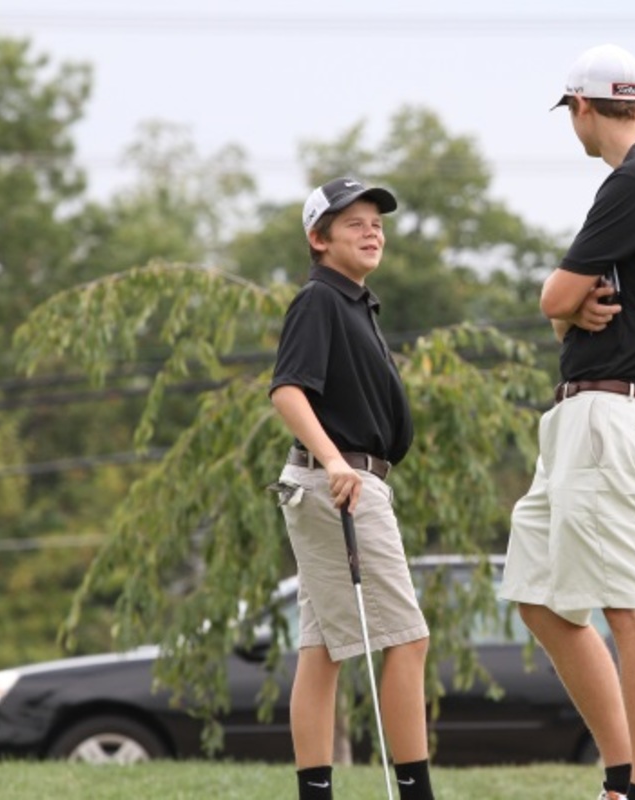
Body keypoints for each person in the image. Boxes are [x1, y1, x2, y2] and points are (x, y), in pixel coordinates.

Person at [498, 43, 635, 800]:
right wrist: (569, 313)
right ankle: (623, 771)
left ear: (583, 108)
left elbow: (554, 298)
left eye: (572, 116)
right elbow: (567, 314)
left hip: (613, 416)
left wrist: (565, 308)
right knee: (538, 594)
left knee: (628, 601)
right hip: (585, 413)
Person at [269, 177, 435, 800]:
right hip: (337, 484)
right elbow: (288, 389)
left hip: (337, 481)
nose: (372, 231)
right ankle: (416, 792)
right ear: (319, 239)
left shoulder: (356, 302)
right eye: (353, 223)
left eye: (377, 222)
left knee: (323, 648)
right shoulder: (319, 300)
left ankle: (316, 793)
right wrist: (335, 460)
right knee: (408, 638)